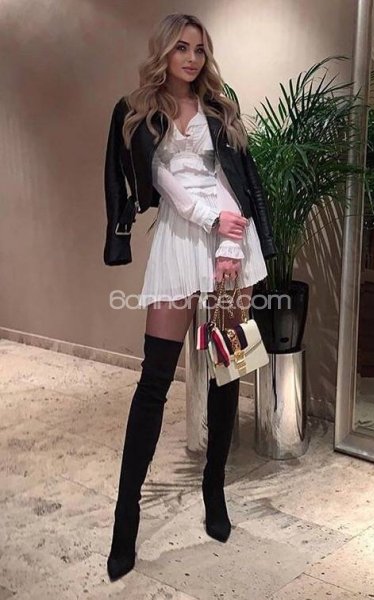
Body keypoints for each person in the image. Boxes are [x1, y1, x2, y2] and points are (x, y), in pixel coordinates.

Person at [103, 13, 277, 582]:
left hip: (232, 244)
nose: (193, 58)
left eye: (200, 49)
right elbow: (159, 179)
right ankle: (126, 518)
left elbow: (237, 180)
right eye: (182, 47)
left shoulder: (220, 110)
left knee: (228, 371)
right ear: (164, 51)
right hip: (182, 241)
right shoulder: (136, 111)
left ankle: (214, 490)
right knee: (154, 379)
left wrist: (234, 234)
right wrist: (209, 219)